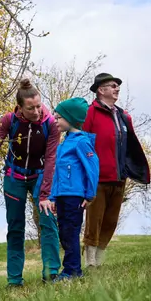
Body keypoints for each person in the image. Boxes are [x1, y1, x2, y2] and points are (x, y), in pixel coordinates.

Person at [0, 77, 61, 285]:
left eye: (39, 106)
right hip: (15, 176)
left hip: (40, 175)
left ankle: (51, 273)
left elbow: (51, 160)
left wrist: (46, 194)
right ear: (20, 107)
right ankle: (14, 279)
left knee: (48, 222)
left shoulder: (50, 124)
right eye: (31, 108)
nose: (37, 111)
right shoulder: (9, 120)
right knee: (15, 227)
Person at [81, 73, 151, 267]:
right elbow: (82, 143)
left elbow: (130, 146)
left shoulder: (123, 115)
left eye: (117, 85)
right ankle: (90, 262)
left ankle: (100, 260)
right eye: (113, 85)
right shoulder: (90, 113)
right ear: (101, 90)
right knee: (94, 220)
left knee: (110, 221)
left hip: (119, 176)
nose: (117, 88)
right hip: (98, 178)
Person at [48, 97, 99, 278]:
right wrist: (53, 197)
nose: (55, 121)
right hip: (62, 196)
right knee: (64, 234)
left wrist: (90, 193)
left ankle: (72, 271)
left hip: (75, 196)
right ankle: (71, 269)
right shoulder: (63, 145)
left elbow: (92, 167)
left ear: (70, 118)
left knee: (70, 232)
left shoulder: (81, 142)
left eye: (59, 117)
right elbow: (57, 174)